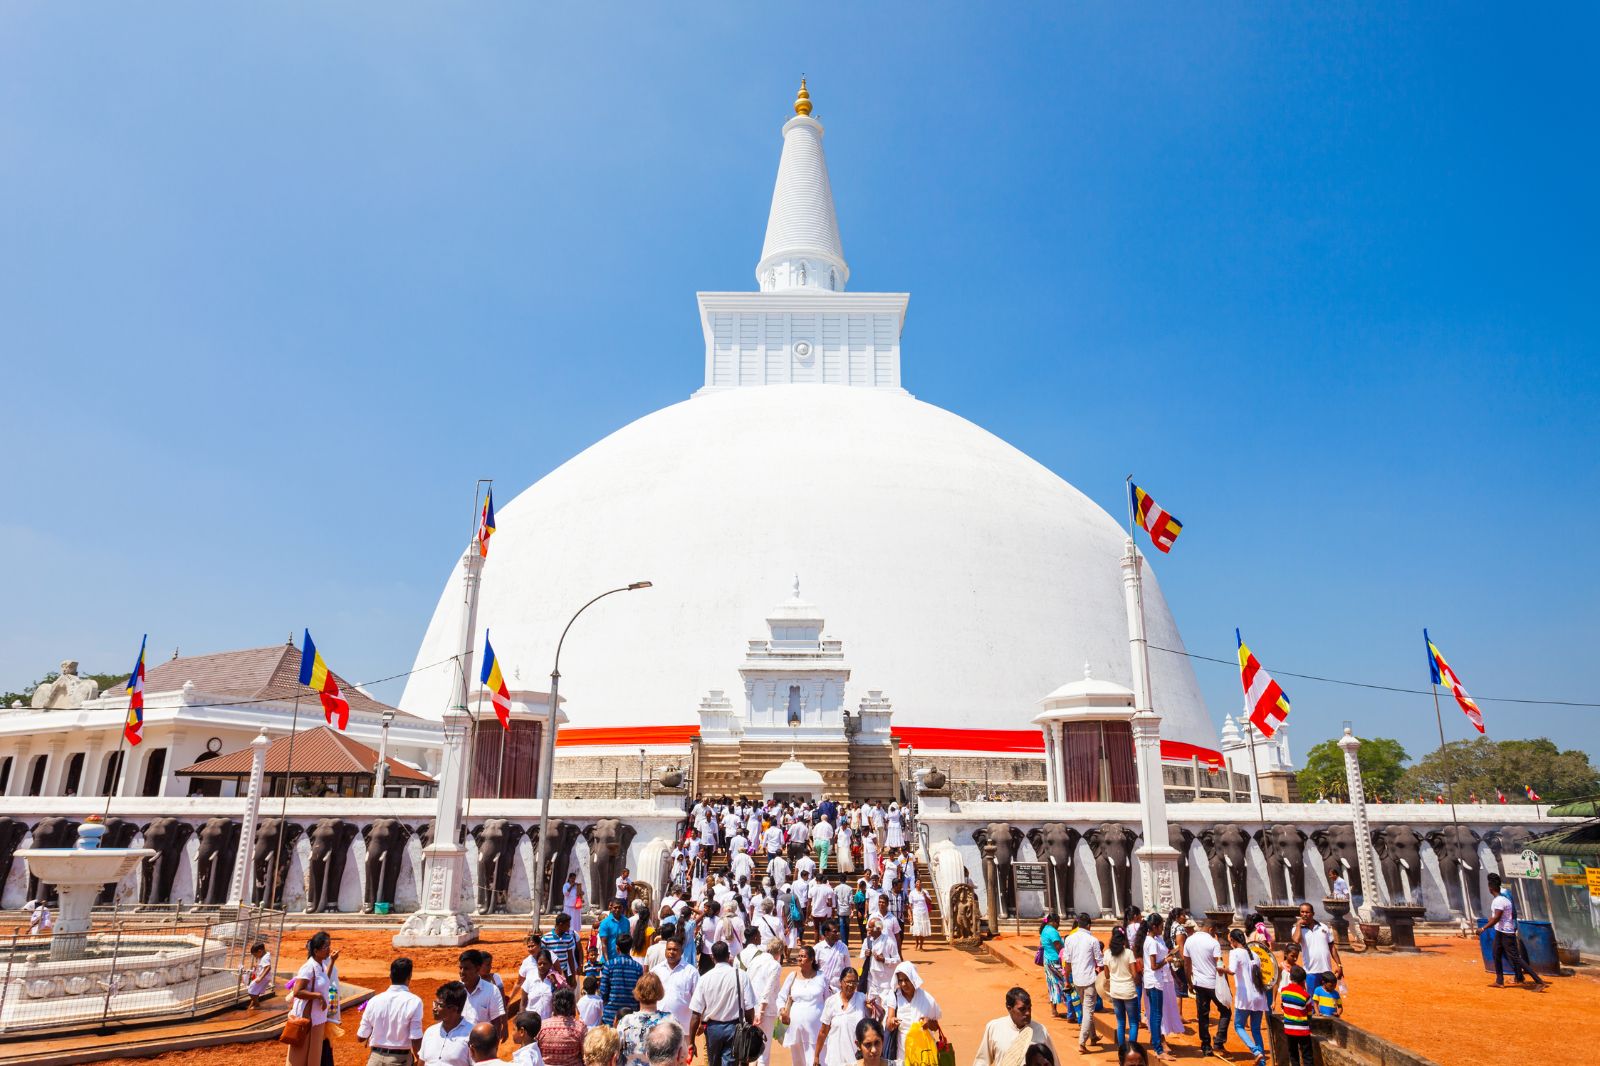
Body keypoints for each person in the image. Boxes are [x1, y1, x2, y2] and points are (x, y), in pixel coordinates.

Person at [688, 942, 754, 1066]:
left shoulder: (705, 979)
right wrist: (749, 1029)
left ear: (712, 957)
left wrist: (691, 1042)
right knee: (730, 1062)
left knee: (713, 1063)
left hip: (713, 1029)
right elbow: (749, 1008)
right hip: (734, 1028)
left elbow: (696, 1013)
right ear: (728, 955)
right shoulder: (741, 975)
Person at [358, 957, 425, 1066]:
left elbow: (360, 1037)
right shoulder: (414, 1001)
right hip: (400, 1060)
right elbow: (415, 1038)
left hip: (374, 1060)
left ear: (390, 976)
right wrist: (421, 1061)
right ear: (409, 977)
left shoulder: (374, 1001)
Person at [1486, 873, 1548, 989]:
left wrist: (1485, 927)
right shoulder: (1501, 895)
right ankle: (1500, 981)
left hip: (1506, 930)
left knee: (1515, 957)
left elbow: (1505, 913)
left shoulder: (1502, 896)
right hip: (1500, 930)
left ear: (1491, 886)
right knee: (1496, 953)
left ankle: (1537, 980)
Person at [1133, 914, 1178, 1063]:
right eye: (1161, 926)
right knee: (1157, 1015)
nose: (1162, 929)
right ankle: (1159, 1049)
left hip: (1152, 981)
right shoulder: (1151, 942)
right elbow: (1153, 966)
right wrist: (1166, 960)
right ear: (1154, 927)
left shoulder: (1150, 940)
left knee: (1154, 1014)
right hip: (1154, 981)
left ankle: (1157, 1044)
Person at [972, 987, 1055, 1066]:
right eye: (1022, 1009)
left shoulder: (1041, 1030)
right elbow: (982, 1061)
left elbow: (1053, 1062)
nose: (1028, 1013)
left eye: (1029, 1008)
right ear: (1009, 1008)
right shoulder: (994, 1028)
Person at [286, 931, 334, 1066]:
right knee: (299, 1056)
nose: (329, 950)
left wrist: (333, 962)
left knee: (314, 1056)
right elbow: (297, 991)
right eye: (326, 947)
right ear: (316, 950)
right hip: (306, 1019)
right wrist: (318, 996)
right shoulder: (308, 967)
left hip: (317, 1019)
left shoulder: (321, 965)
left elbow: (325, 980)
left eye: (329, 945)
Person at [1183, 918, 1228, 1057]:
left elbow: (1186, 964)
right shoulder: (1213, 943)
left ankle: (1206, 1046)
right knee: (1226, 1011)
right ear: (1211, 930)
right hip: (1213, 983)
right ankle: (1219, 1041)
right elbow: (1219, 965)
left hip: (1198, 983)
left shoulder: (1189, 940)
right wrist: (1226, 985)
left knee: (1203, 1015)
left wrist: (1189, 983)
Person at [778, 945, 828, 1066]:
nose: (799, 959)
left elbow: (828, 1001)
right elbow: (781, 997)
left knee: (816, 1059)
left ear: (811, 959)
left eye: (803, 956)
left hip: (816, 1028)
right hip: (796, 1028)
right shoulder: (792, 976)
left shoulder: (822, 977)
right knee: (798, 1060)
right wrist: (782, 1010)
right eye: (799, 956)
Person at [1224, 929, 1267, 1066]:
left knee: (1238, 1026)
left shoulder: (1235, 953)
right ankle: (1262, 1061)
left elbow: (1231, 970)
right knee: (1255, 1029)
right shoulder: (1254, 954)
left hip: (1245, 996)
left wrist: (1220, 969)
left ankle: (1255, 1051)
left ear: (1233, 941)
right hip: (1259, 996)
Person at [884, 961, 940, 1065]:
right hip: (902, 1051)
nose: (903, 984)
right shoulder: (894, 996)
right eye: (900, 980)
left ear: (913, 978)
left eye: (907, 980)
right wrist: (892, 1021)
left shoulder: (927, 998)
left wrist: (929, 1023)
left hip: (923, 1052)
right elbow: (889, 1023)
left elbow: (936, 1027)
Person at [1062, 915, 1103, 1053]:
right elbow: (1100, 962)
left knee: (1086, 1009)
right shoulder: (1093, 940)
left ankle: (1093, 1036)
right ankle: (1081, 1042)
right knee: (1088, 1011)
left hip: (1077, 979)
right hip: (1090, 979)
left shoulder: (1069, 939)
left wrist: (1067, 980)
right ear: (1089, 925)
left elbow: (1066, 963)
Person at [1290, 903, 1345, 1001]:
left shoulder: (1323, 927)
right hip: (1311, 972)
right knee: (1312, 1001)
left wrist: (1339, 965)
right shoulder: (1296, 929)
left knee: (1328, 999)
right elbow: (1296, 940)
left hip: (1326, 971)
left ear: (1313, 913)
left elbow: (1332, 946)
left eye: (1307, 912)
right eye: (1302, 912)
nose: (1304, 914)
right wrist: (1298, 924)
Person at [815, 967, 868, 1066]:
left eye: (854, 982)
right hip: (835, 1058)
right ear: (840, 982)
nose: (851, 985)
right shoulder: (831, 1002)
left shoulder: (862, 999)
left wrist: (873, 1007)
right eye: (848, 981)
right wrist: (816, 1056)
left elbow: (877, 1018)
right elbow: (823, 1032)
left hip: (856, 1058)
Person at [618, 973, 672, 1066]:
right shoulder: (670, 1021)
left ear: (637, 991)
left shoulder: (625, 1021)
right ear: (660, 991)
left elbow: (618, 1052)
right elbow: (680, 1055)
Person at [1104, 927, 1140, 1053]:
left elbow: (1107, 975)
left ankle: (1121, 1051)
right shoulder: (1128, 953)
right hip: (1129, 991)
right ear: (1123, 939)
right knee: (1134, 1023)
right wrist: (1138, 982)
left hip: (1115, 991)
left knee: (1120, 1023)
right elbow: (1134, 974)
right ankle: (1132, 1050)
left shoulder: (1107, 953)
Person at [654, 937, 701, 1033]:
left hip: (683, 1028)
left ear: (682, 951)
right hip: (659, 1025)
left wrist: (700, 1021)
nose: (671, 952)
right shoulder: (656, 970)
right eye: (669, 949)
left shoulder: (691, 972)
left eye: (675, 949)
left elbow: (698, 999)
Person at [422, 981, 475, 1066]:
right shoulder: (430, 1032)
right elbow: (422, 1063)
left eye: (439, 1005)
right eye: (435, 1003)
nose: (434, 1009)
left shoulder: (472, 1035)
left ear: (454, 1009)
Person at [460, 949, 507, 1037]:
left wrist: (493, 1047)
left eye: (466, 968)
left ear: (477, 968)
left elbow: (497, 1021)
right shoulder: (456, 990)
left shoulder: (492, 990)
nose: (462, 972)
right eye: (460, 968)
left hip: (482, 1045)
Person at [602, 933, 646, 1024]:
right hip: (632, 1016)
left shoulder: (609, 965)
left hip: (611, 1016)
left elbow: (603, 991)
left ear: (617, 948)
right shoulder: (638, 967)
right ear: (630, 948)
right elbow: (640, 992)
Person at [539, 988, 589, 1066]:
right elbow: (585, 1056)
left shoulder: (542, 1026)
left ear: (554, 1005)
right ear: (573, 1006)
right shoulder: (580, 1027)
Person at [859, 917, 900, 1008]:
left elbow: (897, 960)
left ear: (878, 928)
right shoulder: (867, 941)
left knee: (886, 1009)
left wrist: (884, 960)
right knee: (873, 1009)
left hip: (886, 983)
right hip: (872, 981)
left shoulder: (889, 942)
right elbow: (862, 955)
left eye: (870, 927)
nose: (868, 929)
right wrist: (866, 953)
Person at [1278, 966, 1313, 1066]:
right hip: (1303, 1030)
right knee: (1307, 1055)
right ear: (1303, 981)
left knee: (1293, 1054)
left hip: (1289, 1029)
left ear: (1290, 978)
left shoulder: (1284, 991)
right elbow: (1309, 1014)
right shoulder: (1306, 996)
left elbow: (1284, 1006)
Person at [1036, 914, 1066, 1019]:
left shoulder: (1044, 930)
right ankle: (1072, 1010)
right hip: (1055, 961)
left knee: (1052, 985)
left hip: (1047, 961)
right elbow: (1058, 947)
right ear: (1054, 921)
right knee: (1065, 984)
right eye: (1058, 922)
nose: (1059, 925)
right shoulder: (1053, 932)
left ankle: (1054, 1010)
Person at [547, 913, 584, 984]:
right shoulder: (546, 938)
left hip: (564, 972)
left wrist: (573, 976)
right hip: (550, 974)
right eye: (567, 925)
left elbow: (570, 958)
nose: (569, 927)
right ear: (561, 924)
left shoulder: (569, 938)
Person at [247, 941, 274, 1010]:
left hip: (263, 978)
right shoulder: (265, 955)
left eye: (255, 955)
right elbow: (262, 965)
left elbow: (268, 967)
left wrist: (260, 978)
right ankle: (252, 1004)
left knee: (251, 991)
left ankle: (257, 1005)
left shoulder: (265, 958)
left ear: (260, 951)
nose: (255, 957)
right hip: (264, 977)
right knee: (255, 991)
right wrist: (257, 966)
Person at [906, 881, 932, 952]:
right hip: (915, 913)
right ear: (915, 884)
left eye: (920, 883)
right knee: (917, 929)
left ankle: (921, 946)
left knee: (923, 930)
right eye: (917, 883)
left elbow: (930, 901)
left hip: (924, 912)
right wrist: (910, 914)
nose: (918, 884)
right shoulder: (912, 893)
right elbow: (910, 905)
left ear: (921, 884)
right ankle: (917, 943)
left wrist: (925, 896)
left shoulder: (925, 891)